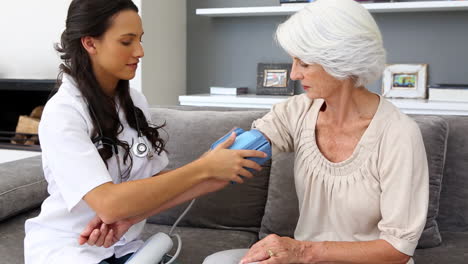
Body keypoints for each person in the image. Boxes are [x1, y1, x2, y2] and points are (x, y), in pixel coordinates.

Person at [23, 0, 266, 263]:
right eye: (127, 42)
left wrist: (214, 174)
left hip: (124, 247)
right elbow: (109, 204)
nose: (140, 51)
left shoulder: (134, 101)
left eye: (140, 39)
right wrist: (203, 168)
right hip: (70, 250)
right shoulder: (64, 113)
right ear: (90, 43)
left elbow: (156, 184)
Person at [203, 0, 429, 263]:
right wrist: (215, 163)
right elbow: (250, 146)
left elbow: (397, 250)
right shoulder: (298, 111)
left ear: (341, 61)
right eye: (293, 62)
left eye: (304, 64)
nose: (293, 75)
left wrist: (302, 251)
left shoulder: (399, 135)